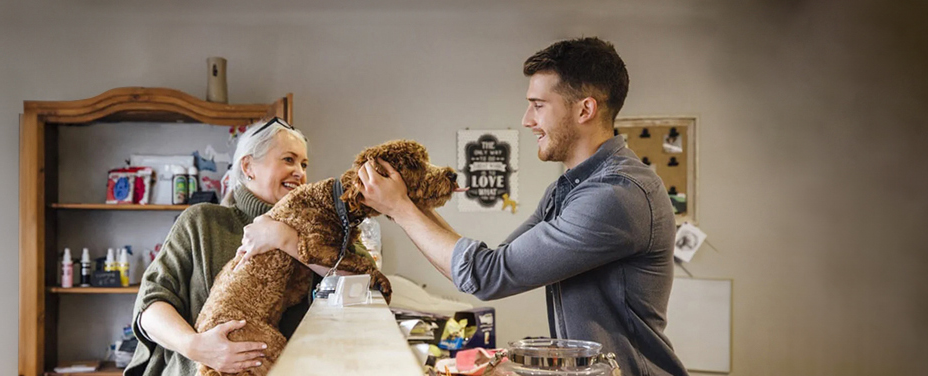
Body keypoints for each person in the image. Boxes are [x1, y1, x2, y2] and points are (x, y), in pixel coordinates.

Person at [239, 37, 688, 376]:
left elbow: (488, 276)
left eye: (538, 106)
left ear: (585, 108)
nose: (527, 119)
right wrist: (410, 202)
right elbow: (484, 265)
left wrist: (401, 209)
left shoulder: (615, 195)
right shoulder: (570, 189)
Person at [125, 118, 355, 376]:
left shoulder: (316, 231)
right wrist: (196, 347)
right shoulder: (202, 222)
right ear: (248, 166)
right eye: (288, 160)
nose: (300, 172)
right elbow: (150, 305)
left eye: (304, 164)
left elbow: (361, 284)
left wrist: (285, 239)